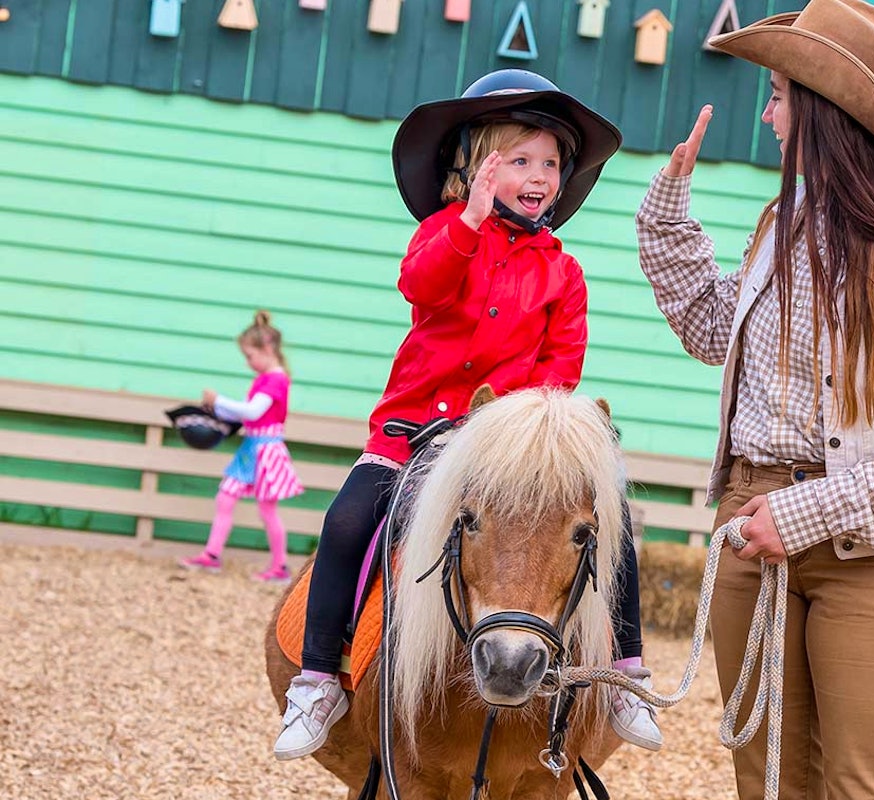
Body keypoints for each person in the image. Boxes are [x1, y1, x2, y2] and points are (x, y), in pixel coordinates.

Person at [635, 1, 874, 796]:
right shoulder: (785, 224)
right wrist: (669, 220)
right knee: (770, 777)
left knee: (864, 784)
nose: (768, 113)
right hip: (751, 516)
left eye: (778, 94)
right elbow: (720, 336)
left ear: (826, 113)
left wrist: (804, 515)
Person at [274, 69, 663, 761]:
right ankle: (317, 680)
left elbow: (560, 369)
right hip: (411, 437)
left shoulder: (564, 274)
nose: (540, 174)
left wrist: (521, 433)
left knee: (616, 530)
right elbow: (419, 287)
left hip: (503, 447)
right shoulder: (445, 233)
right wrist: (473, 219)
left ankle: (627, 673)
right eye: (519, 161)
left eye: (550, 163)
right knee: (346, 524)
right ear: (476, 169)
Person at [180, 310, 303, 584]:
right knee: (226, 496)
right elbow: (247, 414)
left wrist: (219, 400)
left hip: (267, 451)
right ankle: (211, 555)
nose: (249, 362)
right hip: (252, 448)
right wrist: (215, 411)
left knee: (267, 509)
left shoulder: (276, 380)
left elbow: (252, 411)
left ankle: (280, 566)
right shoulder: (265, 379)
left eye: (250, 355)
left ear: (267, 348)